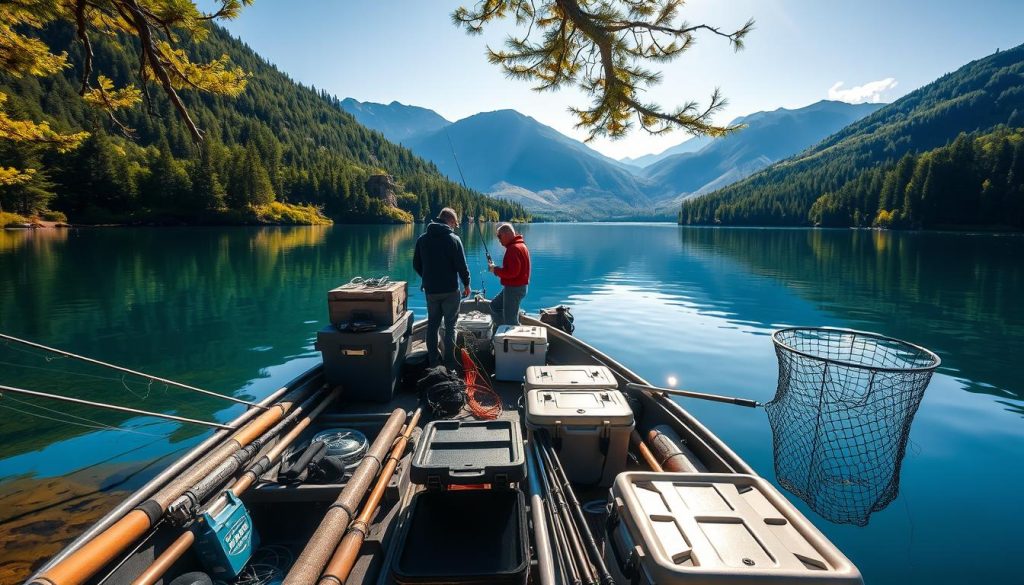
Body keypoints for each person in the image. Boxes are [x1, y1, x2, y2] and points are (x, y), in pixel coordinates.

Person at [413, 207, 471, 370]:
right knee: (451, 326)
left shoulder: (422, 239)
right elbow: (462, 266)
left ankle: (433, 362)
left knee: (432, 325)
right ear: (450, 221)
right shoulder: (453, 239)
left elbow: (416, 264)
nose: (454, 227)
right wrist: (466, 283)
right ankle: (450, 364)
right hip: (451, 291)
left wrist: (427, 278)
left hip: (431, 290)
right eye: (454, 224)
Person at [488, 223, 530, 326]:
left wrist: (495, 270)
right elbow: (514, 270)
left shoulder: (513, 249)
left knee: (511, 322)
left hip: (514, 289)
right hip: (517, 287)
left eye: (499, 237)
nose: (499, 240)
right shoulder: (521, 245)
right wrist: (495, 269)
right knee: (494, 305)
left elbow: (511, 273)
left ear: (506, 234)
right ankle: (501, 328)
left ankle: (511, 335)